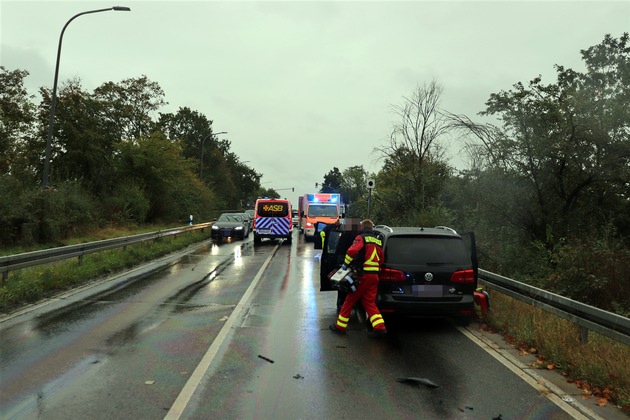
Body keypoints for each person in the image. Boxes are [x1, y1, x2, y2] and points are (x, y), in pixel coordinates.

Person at [329, 219, 387, 337]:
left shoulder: (361, 238)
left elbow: (352, 251)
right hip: (374, 276)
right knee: (369, 302)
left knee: (350, 300)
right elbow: (381, 258)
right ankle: (380, 327)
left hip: (363, 275)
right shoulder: (378, 241)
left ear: (362, 228)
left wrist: (345, 265)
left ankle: (340, 327)